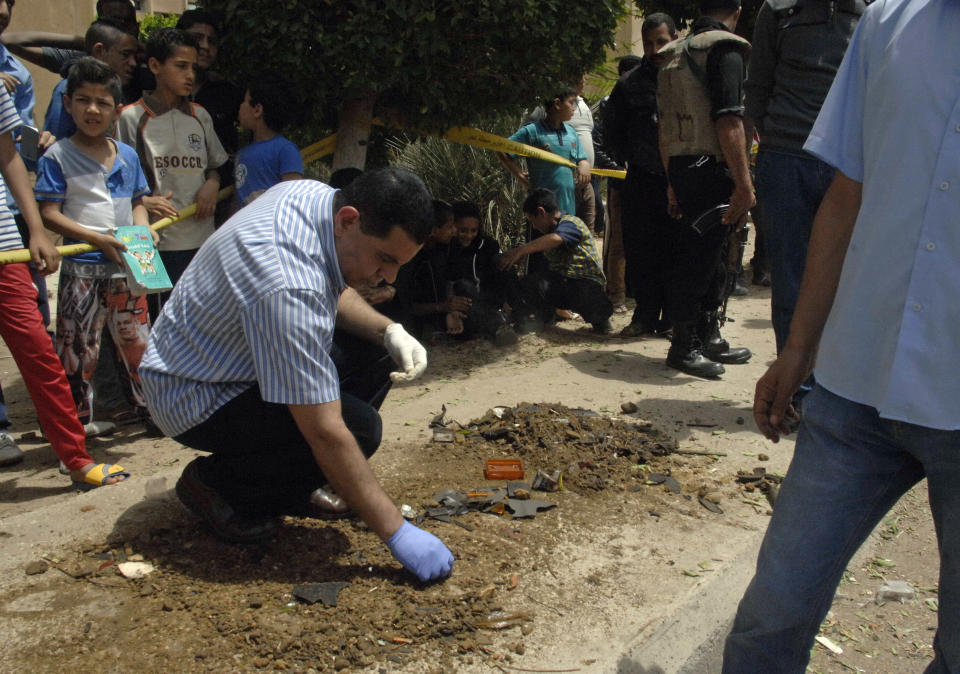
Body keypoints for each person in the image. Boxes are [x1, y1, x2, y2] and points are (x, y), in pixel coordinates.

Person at [724, 0, 960, 670]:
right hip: (856, 392)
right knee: (771, 618)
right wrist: (798, 349)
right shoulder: (890, 23)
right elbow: (845, 195)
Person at [139, 169, 454, 583]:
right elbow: (325, 430)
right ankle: (217, 484)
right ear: (348, 220)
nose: (389, 277)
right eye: (385, 259)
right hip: (195, 393)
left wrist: (388, 331)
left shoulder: (312, 197)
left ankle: (295, 482)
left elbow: (329, 284)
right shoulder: (287, 285)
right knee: (359, 431)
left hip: (230, 355)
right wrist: (396, 532)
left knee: (379, 351)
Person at [0, 83, 128, 490]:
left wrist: (35, 229)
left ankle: (75, 459)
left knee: (42, 357)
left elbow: (8, 157)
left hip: (4, 248)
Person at [744, 0, 866, 404]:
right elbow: (757, 88)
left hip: (851, 163)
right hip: (786, 159)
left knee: (852, 282)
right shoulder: (778, 10)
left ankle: (840, 394)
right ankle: (799, 393)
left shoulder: (875, 12)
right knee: (792, 280)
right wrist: (777, 141)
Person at [34, 57, 153, 429]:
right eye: (83, 100)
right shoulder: (58, 156)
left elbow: (138, 202)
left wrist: (143, 230)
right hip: (82, 269)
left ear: (116, 111)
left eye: (102, 103)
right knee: (78, 347)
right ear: (68, 103)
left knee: (137, 343)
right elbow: (49, 213)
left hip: (126, 268)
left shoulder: (128, 155)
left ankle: (150, 411)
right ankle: (75, 423)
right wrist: (96, 239)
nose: (92, 109)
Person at [656, 0, 754, 378]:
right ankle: (684, 346)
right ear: (739, 9)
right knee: (699, 259)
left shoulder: (674, 53)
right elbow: (729, 119)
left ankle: (706, 336)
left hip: (682, 165)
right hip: (711, 166)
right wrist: (744, 183)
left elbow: (663, 126)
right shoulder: (725, 47)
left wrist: (671, 180)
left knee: (706, 255)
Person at [116, 28, 228, 296]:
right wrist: (144, 202)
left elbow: (214, 167)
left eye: (193, 67)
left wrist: (212, 184)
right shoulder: (131, 117)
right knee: (157, 323)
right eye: (181, 66)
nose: (190, 75)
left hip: (201, 240)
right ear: (155, 65)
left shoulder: (200, 116)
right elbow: (119, 183)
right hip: (154, 242)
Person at [605, 14, 678, 338]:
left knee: (678, 251)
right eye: (648, 43)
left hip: (682, 180)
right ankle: (645, 316)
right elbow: (613, 132)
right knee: (641, 252)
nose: (655, 49)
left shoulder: (689, 77)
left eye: (661, 41)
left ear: (675, 37)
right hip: (643, 180)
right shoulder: (629, 85)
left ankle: (678, 319)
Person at [499, 188, 612, 335]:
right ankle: (542, 320)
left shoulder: (571, 223)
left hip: (585, 286)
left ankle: (600, 318)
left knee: (582, 292)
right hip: (565, 286)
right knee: (531, 283)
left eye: (532, 221)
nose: (534, 226)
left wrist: (520, 250)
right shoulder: (549, 233)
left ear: (541, 212)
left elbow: (557, 239)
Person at [176, 9, 243, 226]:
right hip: (168, 205)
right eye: (197, 38)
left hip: (219, 202)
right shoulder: (151, 89)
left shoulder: (228, 93)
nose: (205, 46)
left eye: (211, 41)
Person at [593, 53, 642, 316]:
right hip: (621, 185)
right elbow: (599, 148)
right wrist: (619, 170)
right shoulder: (609, 107)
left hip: (646, 183)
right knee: (618, 243)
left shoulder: (648, 103)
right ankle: (616, 295)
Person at [500, 87, 590, 220]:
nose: (574, 108)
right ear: (557, 104)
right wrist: (522, 180)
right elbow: (503, 151)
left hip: (568, 210)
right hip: (541, 213)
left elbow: (582, 158)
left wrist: (584, 165)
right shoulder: (532, 131)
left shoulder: (571, 133)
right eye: (571, 102)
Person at [43, 19, 139, 142]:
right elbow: (56, 141)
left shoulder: (121, 89)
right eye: (125, 55)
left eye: (103, 103)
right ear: (99, 51)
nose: (133, 63)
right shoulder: (67, 88)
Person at [445, 201, 517, 345]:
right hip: (464, 304)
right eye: (463, 230)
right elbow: (449, 282)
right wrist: (450, 309)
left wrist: (505, 302)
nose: (468, 235)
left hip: (489, 301)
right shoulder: (447, 249)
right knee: (463, 286)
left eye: (474, 230)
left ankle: (503, 322)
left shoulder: (488, 245)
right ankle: (496, 326)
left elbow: (499, 277)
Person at [233, 74, 303, 208]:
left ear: (257, 110)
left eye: (245, 101)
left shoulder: (286, 150)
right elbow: (237, 198)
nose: (241, 106)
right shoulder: (241, 154)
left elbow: (293, 198)